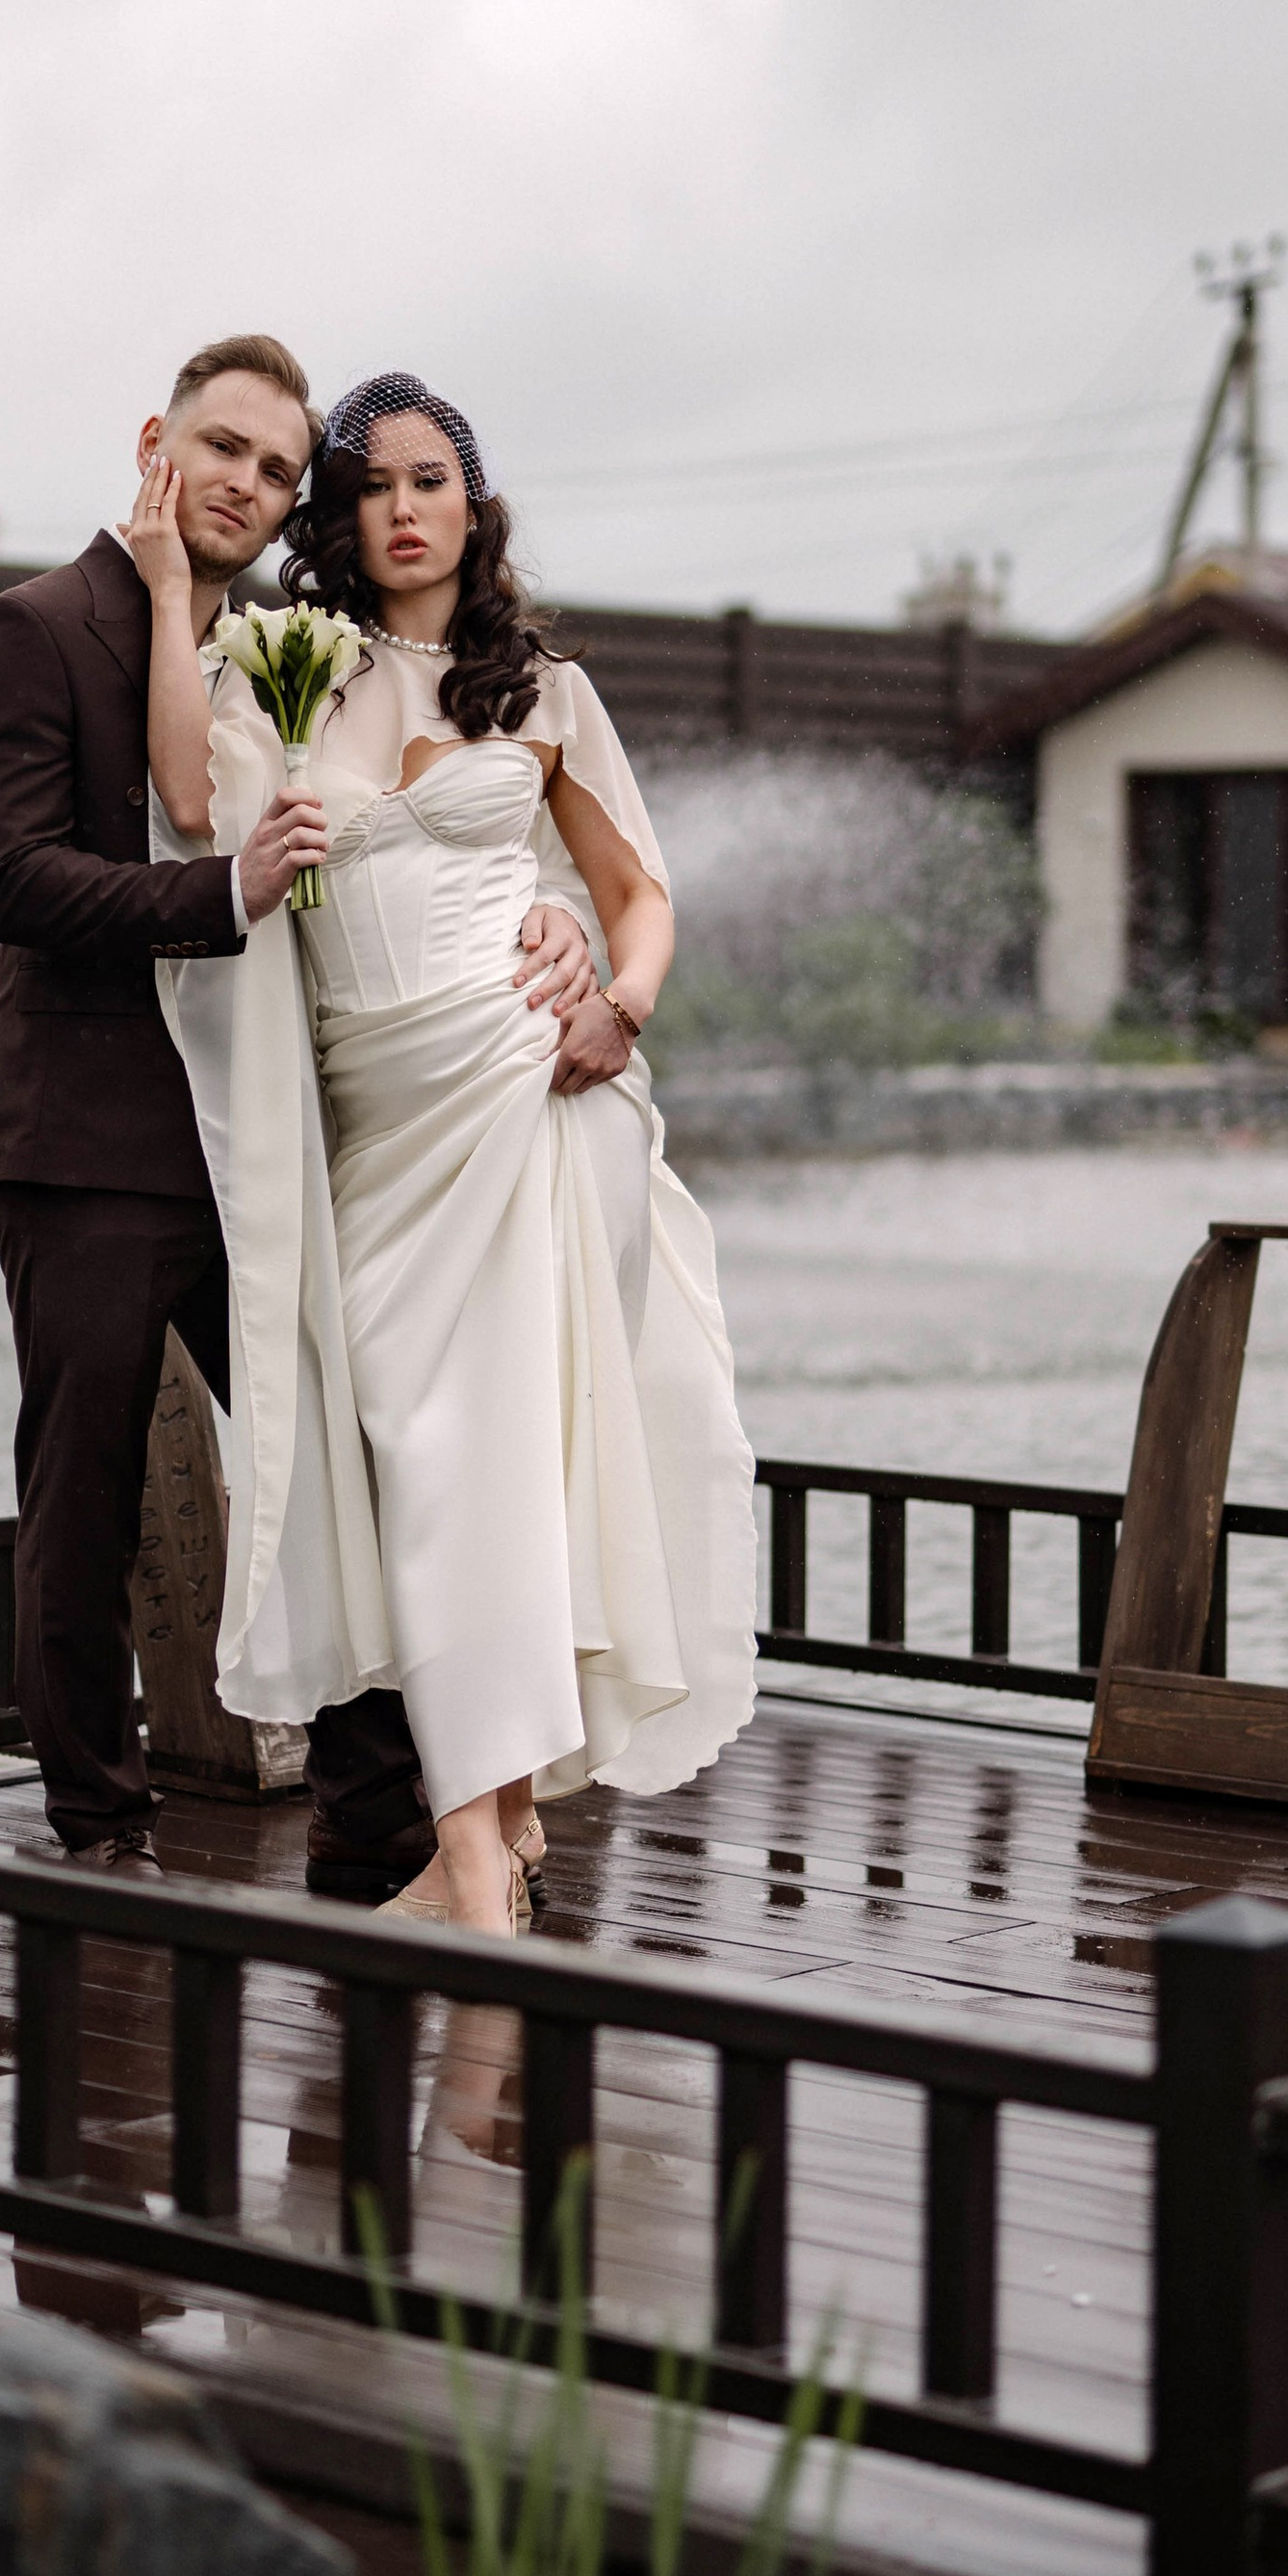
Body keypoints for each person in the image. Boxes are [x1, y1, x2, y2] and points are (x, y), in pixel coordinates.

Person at [0, 334, 597, 1883]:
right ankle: (103, 1830)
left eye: (278, 469)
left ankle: (376, 1830)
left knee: (357, 1468)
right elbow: (10, 880)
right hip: (90, 1146)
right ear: (157, 440)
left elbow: (426, 842)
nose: (247, 484)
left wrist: (556, 922)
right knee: (84, 1489)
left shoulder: (281, 652)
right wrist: (221, 892)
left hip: (280, 1146)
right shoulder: (25, 630)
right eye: (224, 448)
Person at [131, 368, 758, 1937]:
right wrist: (160, 591)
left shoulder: (542, 688)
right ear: (339, 518)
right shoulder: (288, 669)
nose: (400, 508)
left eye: (430, 478)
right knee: (420, 1470)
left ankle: (473, 1855)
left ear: (474, 501)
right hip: (376, 1125)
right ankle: (500, 1827)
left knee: (492, 1475)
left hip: (536, 1096)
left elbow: (640, 893)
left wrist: (621, 1002)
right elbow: (193, 801)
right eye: (369, 486)